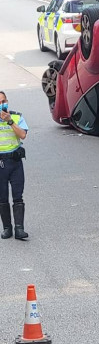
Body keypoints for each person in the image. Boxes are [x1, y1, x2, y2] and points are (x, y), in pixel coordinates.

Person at [0, 91, 29, 240]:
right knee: (2, 198)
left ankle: (19, 229)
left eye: (3, 101)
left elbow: (23, 135)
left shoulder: (16, 117)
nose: (2, 105)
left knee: (18, 196)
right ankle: (7, 228)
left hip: (15, 162)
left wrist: (10, 121)